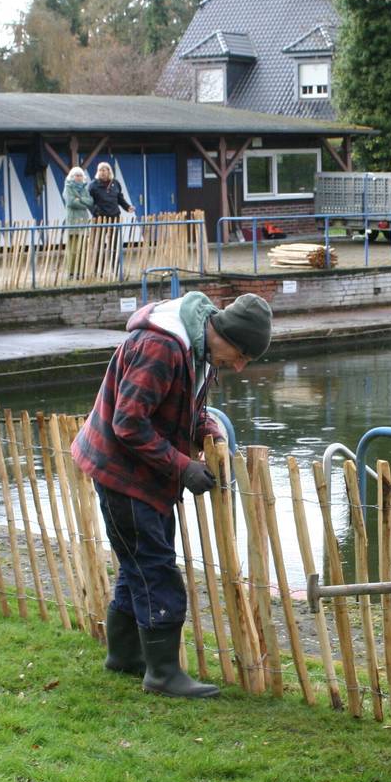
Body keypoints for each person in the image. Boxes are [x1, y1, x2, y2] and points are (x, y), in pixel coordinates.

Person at [71, 291, 273, 699]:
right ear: (226, 334)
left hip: (140, 471)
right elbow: (129, 423)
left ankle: (123, 657)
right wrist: (182, 467)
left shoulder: (199, 348)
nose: (239, 366)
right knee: (156, 569)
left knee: (139, 565)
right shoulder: (162, 347)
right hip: (122, 473)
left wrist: (211, 433)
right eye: (240, 355)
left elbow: (188, 408)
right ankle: (163, 674)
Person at [63, 166, 94, 278]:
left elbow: (90, 202)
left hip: (83, 221)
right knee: (73, 248)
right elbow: (71, 202)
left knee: (83, 248)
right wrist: (83, 202)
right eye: (77, 175)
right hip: (73, 220)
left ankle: (81, 271)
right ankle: (71, 272)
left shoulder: (84, 188)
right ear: (72, 176)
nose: (79, 177)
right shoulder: (68, 187)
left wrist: (79, 199)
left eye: (81, 175)